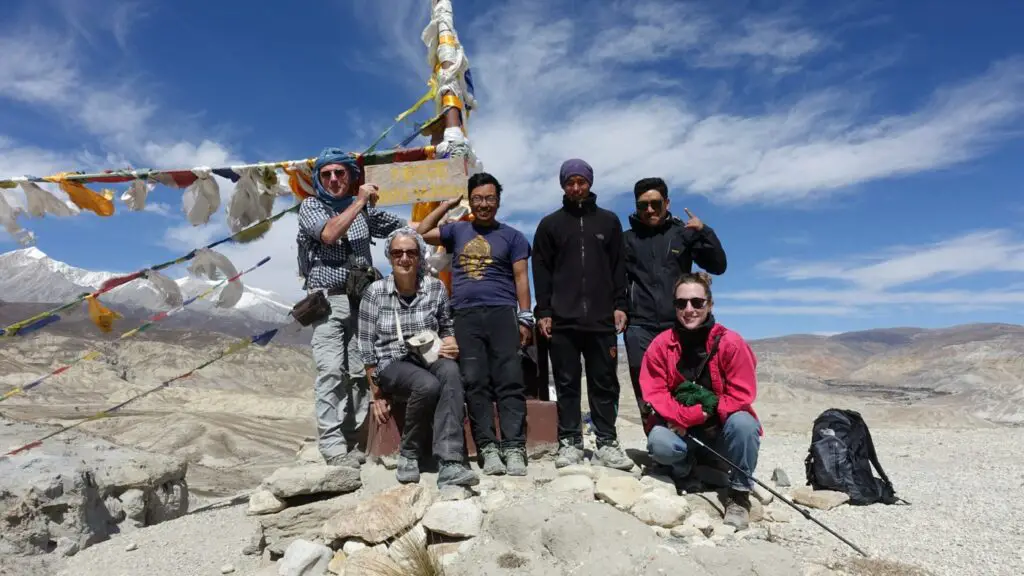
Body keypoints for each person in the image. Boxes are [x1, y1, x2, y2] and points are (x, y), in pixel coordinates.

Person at [296, 147, 407, 467]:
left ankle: (354, 439)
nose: (333, 179)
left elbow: (407, 226)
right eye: (326, 174)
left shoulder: (367, 212)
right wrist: (359, 201)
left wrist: (445, 207)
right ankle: (332, 447)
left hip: (362, 302)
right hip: (328, 301)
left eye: (339, 173)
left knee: (360, 374)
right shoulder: (311, 206)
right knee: (331, 371)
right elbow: (329, 234)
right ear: (318, 179)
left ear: (351, 175)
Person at [420, 172, 534, 476]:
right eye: (478, 198)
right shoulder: (457, 230)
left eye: (490, 198)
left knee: (509, 379)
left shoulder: (513, 237)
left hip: (502, 312)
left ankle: (513, 446)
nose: (484, 204)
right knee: (475, 380)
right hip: (465, 315)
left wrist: (526, 315)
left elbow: (522, 277)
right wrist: (446, 205)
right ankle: (488, 447)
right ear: (471, 200)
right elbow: (423, 230)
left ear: (498, 201)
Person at [357, 227, 479, 488]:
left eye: (411, 252)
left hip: (429, 356)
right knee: (427, 384)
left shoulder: (435, 288)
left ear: (420, 256)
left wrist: (451, 342)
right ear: (389, 257)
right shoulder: (375, 293)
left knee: (450, 372)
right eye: (397, 252)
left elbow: (446, 327)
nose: (404, 258)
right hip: (392, 363)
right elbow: (366, 346)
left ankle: (450, 461)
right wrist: (376, 393)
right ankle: (409, 453)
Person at [532, 158, 633, 471]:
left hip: (602, 319)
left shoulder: (609, 222)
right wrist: (544, 311)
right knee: (566, 381)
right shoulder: (550, 225)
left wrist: (621, 305)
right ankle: (570, 442)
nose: (576, 188)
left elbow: (619, 267)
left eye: (581, 181)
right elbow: (541, 271)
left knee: (604, 382)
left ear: (590, 182)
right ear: (563, 185)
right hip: (562, 319)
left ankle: (607, 442)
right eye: (569, 182)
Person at [639, 272, 762, 530]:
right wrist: (681, 418)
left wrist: (701, 414)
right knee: (659, 441)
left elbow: (742, 395)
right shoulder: (661, 346)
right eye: (681, 303)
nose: (689, 309)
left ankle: (739, 496)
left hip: (719, 432)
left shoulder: (731, 343)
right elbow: (655, 392)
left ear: (710, 304)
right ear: (674, 306)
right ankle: (687, 470)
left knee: (745, 425)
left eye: (697, 302)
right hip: (680, 432)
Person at [623, 177, 727, 421]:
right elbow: (617, 280)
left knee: (682, 382)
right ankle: (657, 439)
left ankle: (685, 436)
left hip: (678, 324)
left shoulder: (683, 234)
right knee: (645, 385)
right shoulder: (626, 239)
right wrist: (620, 309)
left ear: (666, 203)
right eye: (642, 205)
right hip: (640, 324)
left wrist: (704, 232)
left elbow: (718, 265)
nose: (649, 210)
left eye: (655, 204)